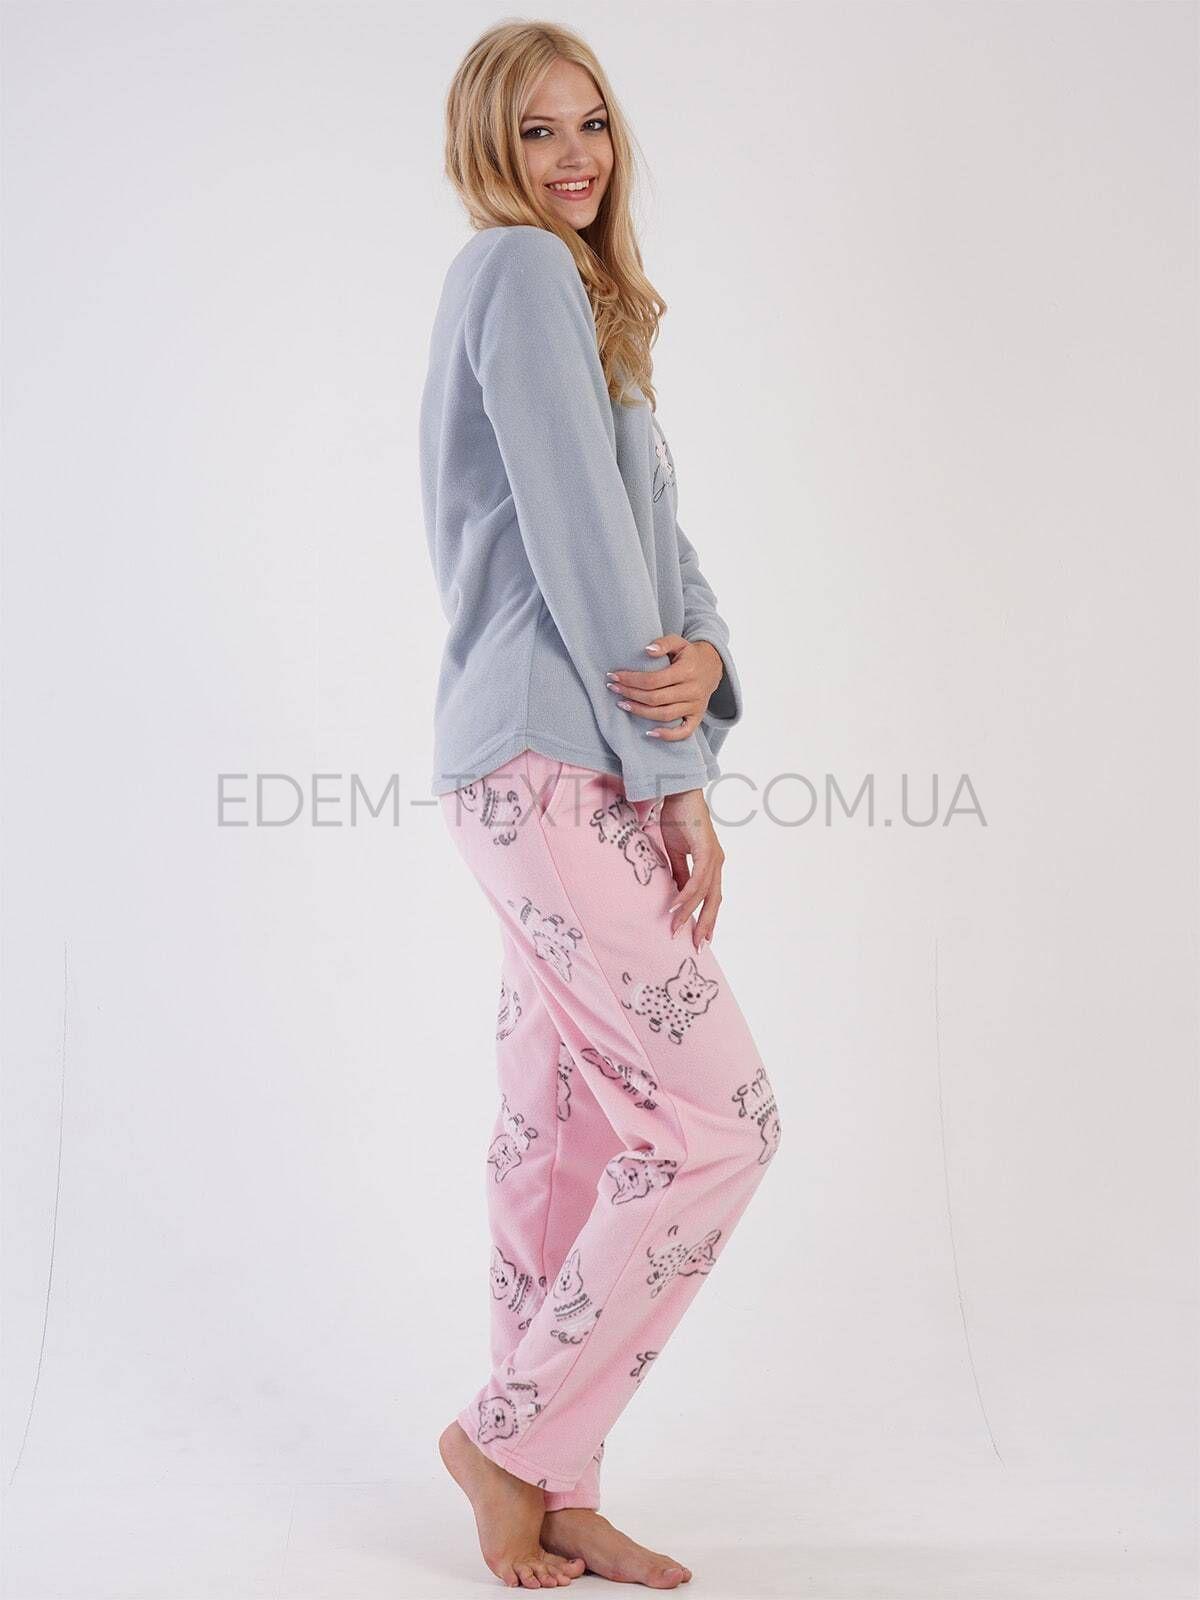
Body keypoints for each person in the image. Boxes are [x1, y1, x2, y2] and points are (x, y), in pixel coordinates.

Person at [418, 20, 783, 1591]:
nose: (573, 157)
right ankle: (508, 1438)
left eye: (593, 125)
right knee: (718, 1125)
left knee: (564, 1134)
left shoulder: (586, 298)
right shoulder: (515, 271)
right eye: (536, 132)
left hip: (560, 756)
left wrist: (710, 657)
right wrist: (676, 777)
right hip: (555, 762)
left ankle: (551, 1480)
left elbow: (655, 535)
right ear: (485, 153)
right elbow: (578, 538)